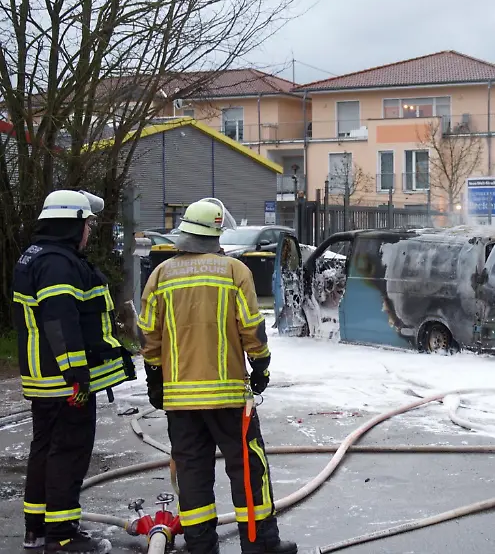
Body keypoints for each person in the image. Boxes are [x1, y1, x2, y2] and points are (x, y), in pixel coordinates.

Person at [138, 199, 297, 554]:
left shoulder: (160, 275)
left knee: (192, 475)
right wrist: (260, 366)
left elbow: (149, 335)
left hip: (180, 401)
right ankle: (260, 545)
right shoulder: (234, 271)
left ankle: (201, 547)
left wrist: (154, 378)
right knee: (248, 470)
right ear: (216, 233)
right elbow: (252, 329)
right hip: (228, 399)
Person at [14, 189, 133, 553]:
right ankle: (62, 535)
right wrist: (77, 373)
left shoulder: (36, 256)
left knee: (45, 450)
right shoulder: (57, 264)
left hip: (45, 378)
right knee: (69, 452)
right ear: (71, 223)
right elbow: (59, 320)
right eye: (87, 225)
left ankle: (36, 529)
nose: (89, 232)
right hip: (65, 382)